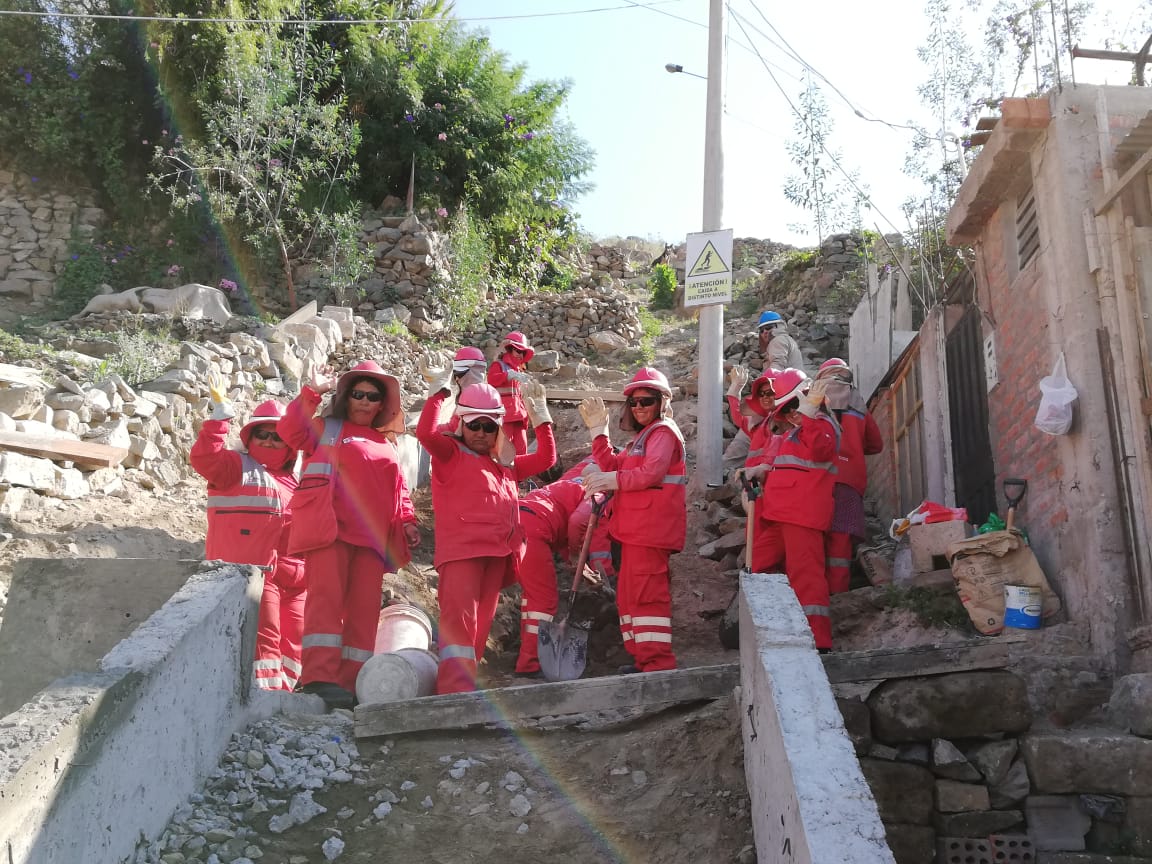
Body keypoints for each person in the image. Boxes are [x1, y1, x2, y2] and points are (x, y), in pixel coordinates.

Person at [277, 360, 419, 709]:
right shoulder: (326, 428)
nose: (366, 402)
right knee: (324, 605)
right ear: (345, 396)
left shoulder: (388, 444)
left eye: (373, 396)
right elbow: (289, 432)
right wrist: (311, 393)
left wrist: (408, 521)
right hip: (331, 532)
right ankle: (318, 679)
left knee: (363, 613)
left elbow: (399, 490)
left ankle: (354, 682)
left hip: (371, 541)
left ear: (383, 403)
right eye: (358, 394)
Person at [416, 358, 557, 695]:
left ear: (498, 429)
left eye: (488, 426)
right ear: (461, 424)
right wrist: (439, 391)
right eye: (474, 425)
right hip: (462, 554)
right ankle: (452, 693)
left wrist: (542, 419)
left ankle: (464, 689)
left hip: (497, 554)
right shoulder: (450, 454)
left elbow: (546, 460)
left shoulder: (504, 466)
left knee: (478, 629)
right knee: (459, 627)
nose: (481, 433)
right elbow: (425, 433)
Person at [190, 377, 305, 692]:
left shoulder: (297, 481)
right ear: (250, 437)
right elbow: (205, 458)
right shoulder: (233, 467)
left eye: (277, 436)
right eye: (262, 434)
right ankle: (265, 698)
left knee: (293, 639)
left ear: (289, 444)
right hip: (252, 574)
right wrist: (218, 423)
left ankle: (288, 695)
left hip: (293, 579)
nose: (269, 441)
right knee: (264, 638)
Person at [578, 367, 687, 674]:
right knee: (629, 599)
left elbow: (650, 473)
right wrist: (599, 433)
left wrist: (610, 478)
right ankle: (642, 659)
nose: (639, 408)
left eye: (647, 401)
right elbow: (615, 465)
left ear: (661, 402)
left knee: (647, 598)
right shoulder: (642, 438)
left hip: (649, 532)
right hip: (633, 532)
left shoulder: (664, 432)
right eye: (635, 402)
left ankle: (657, 664)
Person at [753, 369, 839, 651]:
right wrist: (762, 470)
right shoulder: (793, 434)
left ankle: (817, 641)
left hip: (802, 517)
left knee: (807, 577)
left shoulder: (823, 425)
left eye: (793, 405)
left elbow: (820, 449)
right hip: (778, 516)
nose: (790, 413)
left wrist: (811, 412)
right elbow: (779, 461)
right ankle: (773, 629)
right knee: (757, 566)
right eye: (785, 409)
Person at [514, 456, 615, 677]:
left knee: (532, 597)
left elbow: (561, 527)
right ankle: (531, 664)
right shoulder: (597, 492)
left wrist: (577, 564)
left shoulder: (566, 484)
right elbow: (578, 522)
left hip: (514, 522)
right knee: (544, 601)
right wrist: (578, 555)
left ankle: (526, 656)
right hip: (533, 530)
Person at [817, 358, 883, 594]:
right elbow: (876, 445)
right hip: (849, 483)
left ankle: (813, 597)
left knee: (813, 539)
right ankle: (839, 598)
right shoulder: (857, 401)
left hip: (818, 480)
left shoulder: (811, 397)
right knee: (841, 543)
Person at [487, 331, 535, 455]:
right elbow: (491, 380)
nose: (521, 355)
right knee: (503, 452)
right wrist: (507, 375)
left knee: (521, 450)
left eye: (523, 352)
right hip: (505, 417)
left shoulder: (518, 370)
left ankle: (519, 474)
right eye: (518, 351)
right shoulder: (499, 365)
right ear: (509, 349)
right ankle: (504, 474)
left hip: (519, 416)